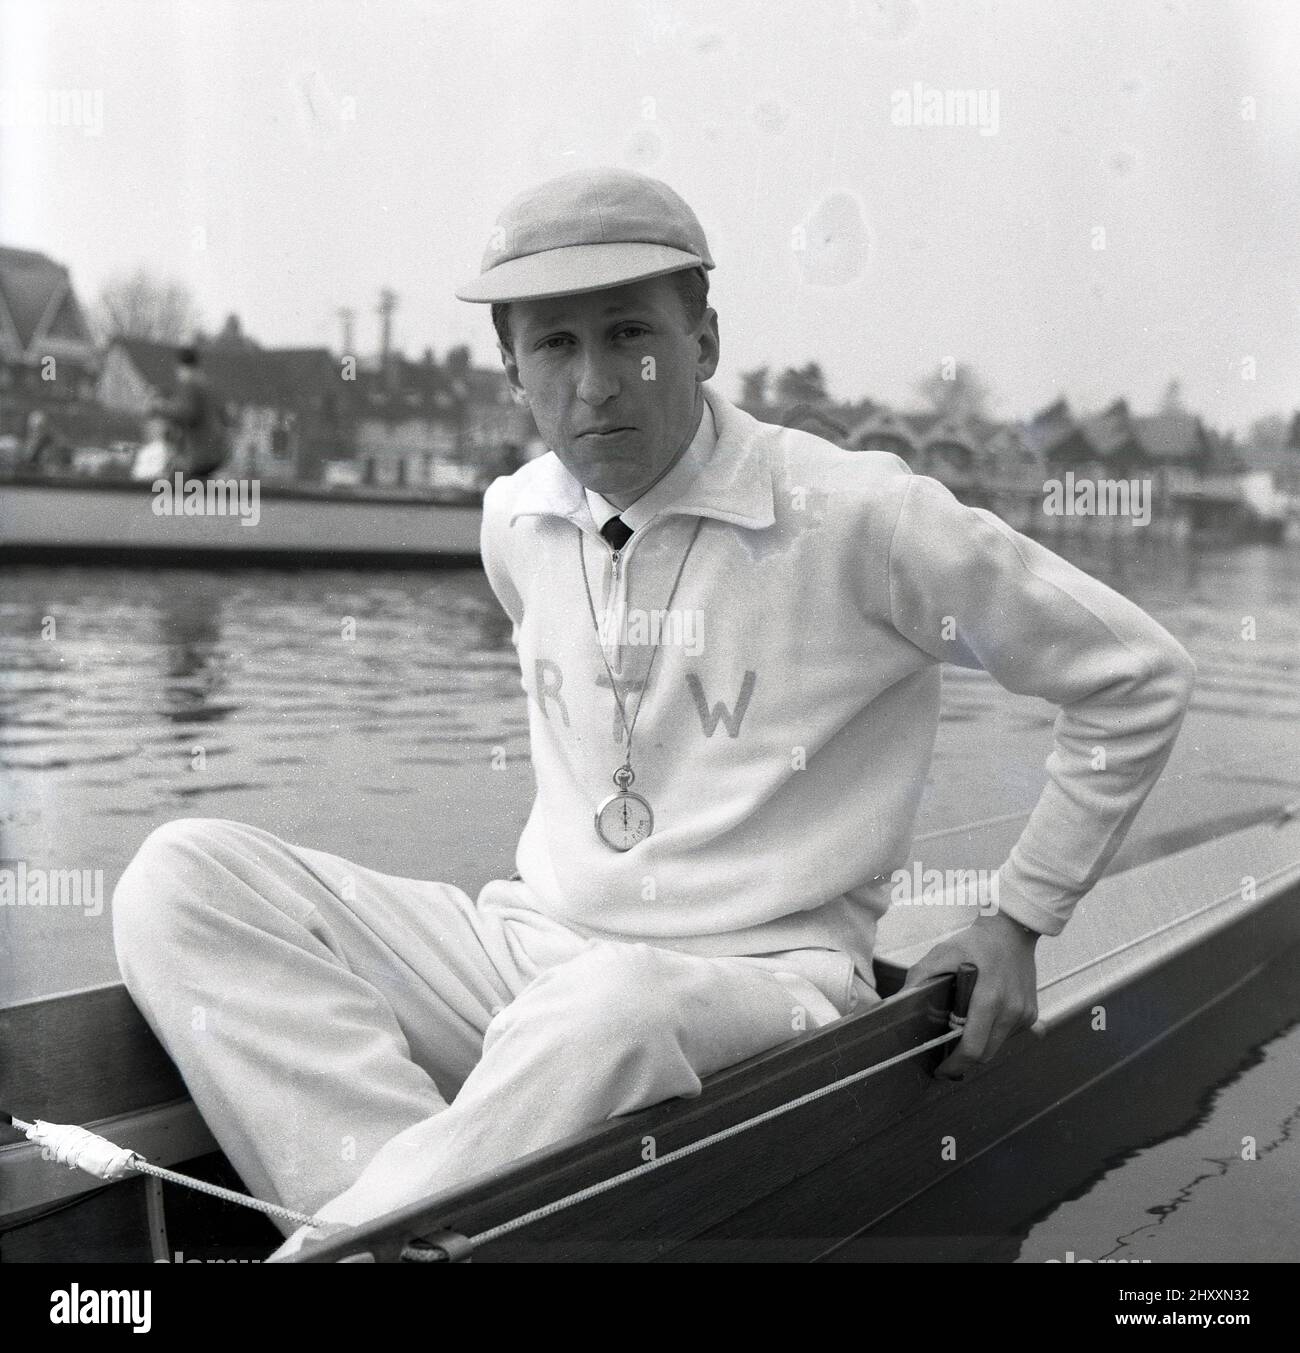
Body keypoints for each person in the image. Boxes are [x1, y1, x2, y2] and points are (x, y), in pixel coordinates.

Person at [110, 167, 1196, 1260]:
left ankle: (343, 1242)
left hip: (764, 980)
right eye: (554, 347)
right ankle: (419, 1204)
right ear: (512, 373)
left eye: (629, 334)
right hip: (524, 952)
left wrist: (1017, 920)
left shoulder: (862, 516)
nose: (594, 386)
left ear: (705, 340)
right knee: (181, 873)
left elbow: (1132, 675)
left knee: (612, 1010)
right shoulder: (514, 520)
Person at [150, 345, 228, 478]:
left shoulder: (190, 384)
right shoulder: (205, 384)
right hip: (214, 449)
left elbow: (187, 413)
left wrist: (159, 407)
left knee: (177, 482)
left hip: (201, 453)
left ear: (180, 366)